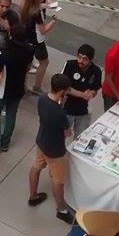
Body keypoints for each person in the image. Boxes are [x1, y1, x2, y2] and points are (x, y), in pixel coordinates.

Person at [27, 73, 75, 225]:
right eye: (66, 91)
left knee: (36, 167)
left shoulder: (42, 98)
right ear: (61, 92)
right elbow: (67, 132)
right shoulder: (60, 113)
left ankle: (33, 196)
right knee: (58, 180)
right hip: (55, 150)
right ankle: (61, 210)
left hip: (42, 140)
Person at [0, 26, 35, 154]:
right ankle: (5, 143)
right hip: (19, 89)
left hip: (3, 90)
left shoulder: (4, 53)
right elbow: (28, 68)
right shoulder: (29, 51)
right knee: (11, 115)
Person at [20, 0, 55, 94]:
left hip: (27, 40)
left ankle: (23, 85)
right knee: (44, 62)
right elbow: (43, 30)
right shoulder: (37, 13)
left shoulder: (26, 8)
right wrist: (53, 21)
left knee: (27, 64)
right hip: (37, 41)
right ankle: (37, 86)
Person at [62, 45, 102, 137]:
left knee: (80, 136)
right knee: (61, 135)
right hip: (67, 108)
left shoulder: (96, 71)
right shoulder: (69, 65)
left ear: (91, 60)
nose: (81, 61)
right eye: (79, 57)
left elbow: (95, 89)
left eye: (85, 59)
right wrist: (83, 95)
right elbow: (65, 87)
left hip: (84, 110)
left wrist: (91, 94)